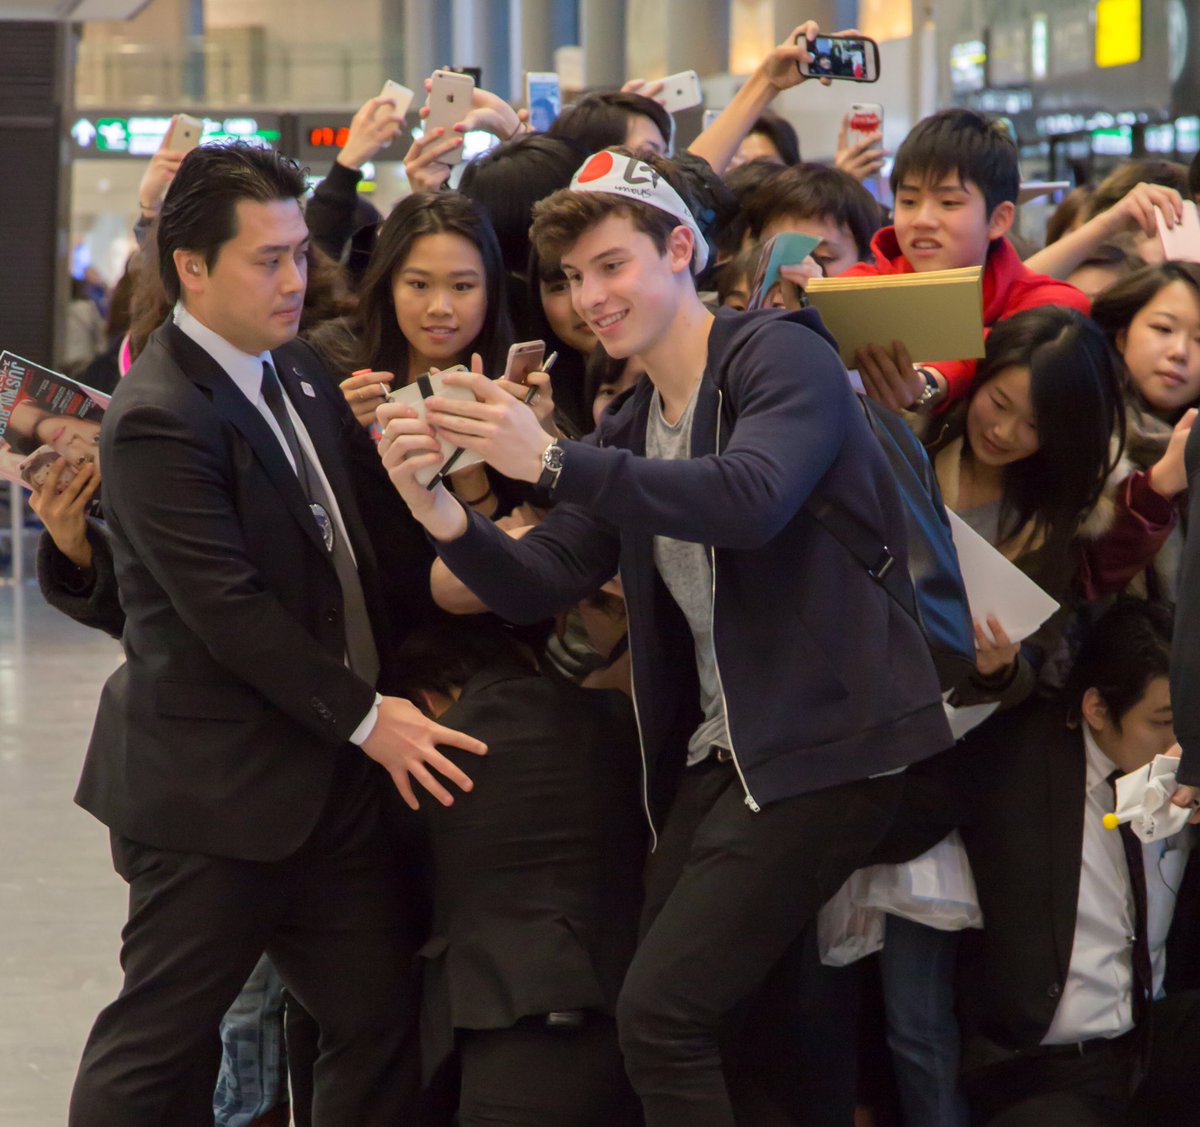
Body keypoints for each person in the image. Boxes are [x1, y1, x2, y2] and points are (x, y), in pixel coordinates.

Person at [375, 148, 952, 1127]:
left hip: (832, 745)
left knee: (663, 1011)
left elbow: (754, 495)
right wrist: (438, 512)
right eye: (571, 278)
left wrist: (552, 457)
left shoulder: (781, 354)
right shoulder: (635, 421)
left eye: (611, 264)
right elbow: (541, 576)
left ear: (680, 247)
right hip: (728, 753)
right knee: (695, 1011)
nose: (591, 296)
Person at [66, 141, 486, 1127]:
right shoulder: (161, 413)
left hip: (323, 787)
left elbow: (350, 549)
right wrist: (368, 716)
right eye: (269, 259)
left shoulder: (291, 370)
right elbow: (230, 612)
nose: (295, 278)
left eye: (301, 253)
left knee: (378, 1013)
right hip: (214, 795)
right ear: (192, 268)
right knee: (160, 1043)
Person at [956, 599, 1200, 1127]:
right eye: (1162, 723)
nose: (1178, 745)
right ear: (1096, 709)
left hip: (1149, 1040)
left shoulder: (1182, 767)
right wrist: (992, 680)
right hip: (1040, 1067)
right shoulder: (1017, 759)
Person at [395, 620, 646, 1127]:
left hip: (498, 1015)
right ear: (526, 661)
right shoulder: (616, 717)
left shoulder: (426, 753)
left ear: (424, 700)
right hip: (630, 1004)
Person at [843, 108, 1091, 413]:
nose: (922, 220)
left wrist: (928, 383)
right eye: (908, 201)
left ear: (999, 219)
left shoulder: (1044, 302)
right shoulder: (858, 289)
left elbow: (996, 342)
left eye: (948, 203)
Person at [306, 190, 517, 517]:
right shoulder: (329, 360)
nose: (439, 308)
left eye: (462, 287)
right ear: (389, 287)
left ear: (490, 290)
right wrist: (331, 428)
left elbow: (527, 550)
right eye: (419, 285)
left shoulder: (510, 387)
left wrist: (470, 477)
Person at [1090, 262, 1200, 600]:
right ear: (1122, 337)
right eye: (1163, 329)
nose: (1179, 352)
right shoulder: (1086, 422)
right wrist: (1159, 485)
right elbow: (1082, 576)